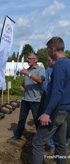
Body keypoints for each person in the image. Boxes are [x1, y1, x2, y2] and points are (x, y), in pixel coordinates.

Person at [32, 36, 70, 164]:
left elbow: (57, 91)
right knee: (60, 144)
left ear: (53, 49)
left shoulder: (59, 65)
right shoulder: (68, 63)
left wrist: (47, 112)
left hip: (57, 110)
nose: (48, 52)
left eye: (48, 49)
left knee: (38, 142)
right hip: (65, 110)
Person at [7, 52, 45, 143]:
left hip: (36, 100)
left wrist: (28, 74)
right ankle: (17, 135)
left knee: (37, 120)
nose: (28, 60)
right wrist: (23, 87)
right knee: (22, 119)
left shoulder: (41, 69)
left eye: (31, 58)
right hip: (25, 99)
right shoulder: (27, 70)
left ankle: (40, 139)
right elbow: (26, 83)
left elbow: (40, 81)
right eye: (28, 58)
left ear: (36, 60)